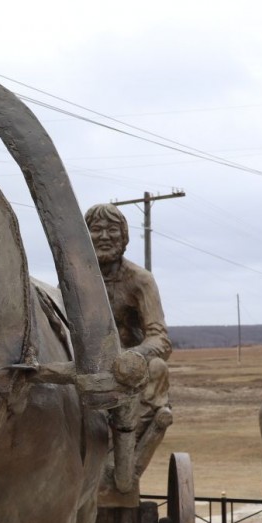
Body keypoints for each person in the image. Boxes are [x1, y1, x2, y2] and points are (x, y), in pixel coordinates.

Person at [84, 203, 173, 480]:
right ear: (85, 236)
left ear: (124, 237)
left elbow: (160, 338)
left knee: (157, 369)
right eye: (96, 230)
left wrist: (131, 359)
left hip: (131, 371)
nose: (104, 236)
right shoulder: (77, 280)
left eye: (112, 230)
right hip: (87, 364)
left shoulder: (140, 281)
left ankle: (122, 457)